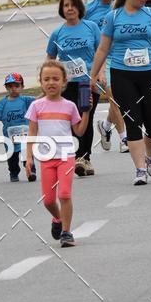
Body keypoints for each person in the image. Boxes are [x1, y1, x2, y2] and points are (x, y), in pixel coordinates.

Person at [89, 0, 151, 186]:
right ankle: (140, 169)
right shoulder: (114, 17)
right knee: (132, 121)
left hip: (149, 74)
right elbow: (103, 48)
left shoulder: (150, 14)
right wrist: (93, 75)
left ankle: (150, 156)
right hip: (122, 75)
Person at [25, 60, 91, 247]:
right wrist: (28, 157)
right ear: (41, 82)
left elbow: (79, 131)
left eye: (55, 79)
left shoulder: (69, 106)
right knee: (48, 201)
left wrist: (86, 112)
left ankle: (66, 233)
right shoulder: (36, 106)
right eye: (46, 79)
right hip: (46, 158)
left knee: (64, 194)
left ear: (64, 82)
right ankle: (58, 218)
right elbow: (32, 133)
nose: (51, 82)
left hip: (66, 157)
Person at [46, 0, 100, 177]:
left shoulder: (91, 27)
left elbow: (101, 52)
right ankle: (76, 157)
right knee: (71, 120)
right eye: (66, 5)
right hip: (67, 84)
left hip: (88, 81)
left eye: (73, 4)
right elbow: (50, 58)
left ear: (79, 7)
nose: (69, 8)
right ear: (62, 9)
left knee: (87, 117)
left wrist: (99, 74)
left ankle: (85, 158)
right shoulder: (57, 33)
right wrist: (49, 79)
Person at [85, 0, 128, 154]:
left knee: (120, 99)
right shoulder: (89, 10)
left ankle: (106, 125)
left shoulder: (121, 6)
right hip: (102, 60)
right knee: (114, 97)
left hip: (121, 57)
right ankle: (124, 138)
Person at [0, 73, 36, 182]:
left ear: (22, 86)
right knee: (12, 158)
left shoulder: (26, 100)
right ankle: (13, 173)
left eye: (16, 86)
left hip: (24, 136)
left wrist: (47, 92)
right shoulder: (2, 103)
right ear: (6, 88)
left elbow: (38, 101)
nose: (13, 89)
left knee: (27, 155)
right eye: (10, 86)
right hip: (10, 138)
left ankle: (31, 172)